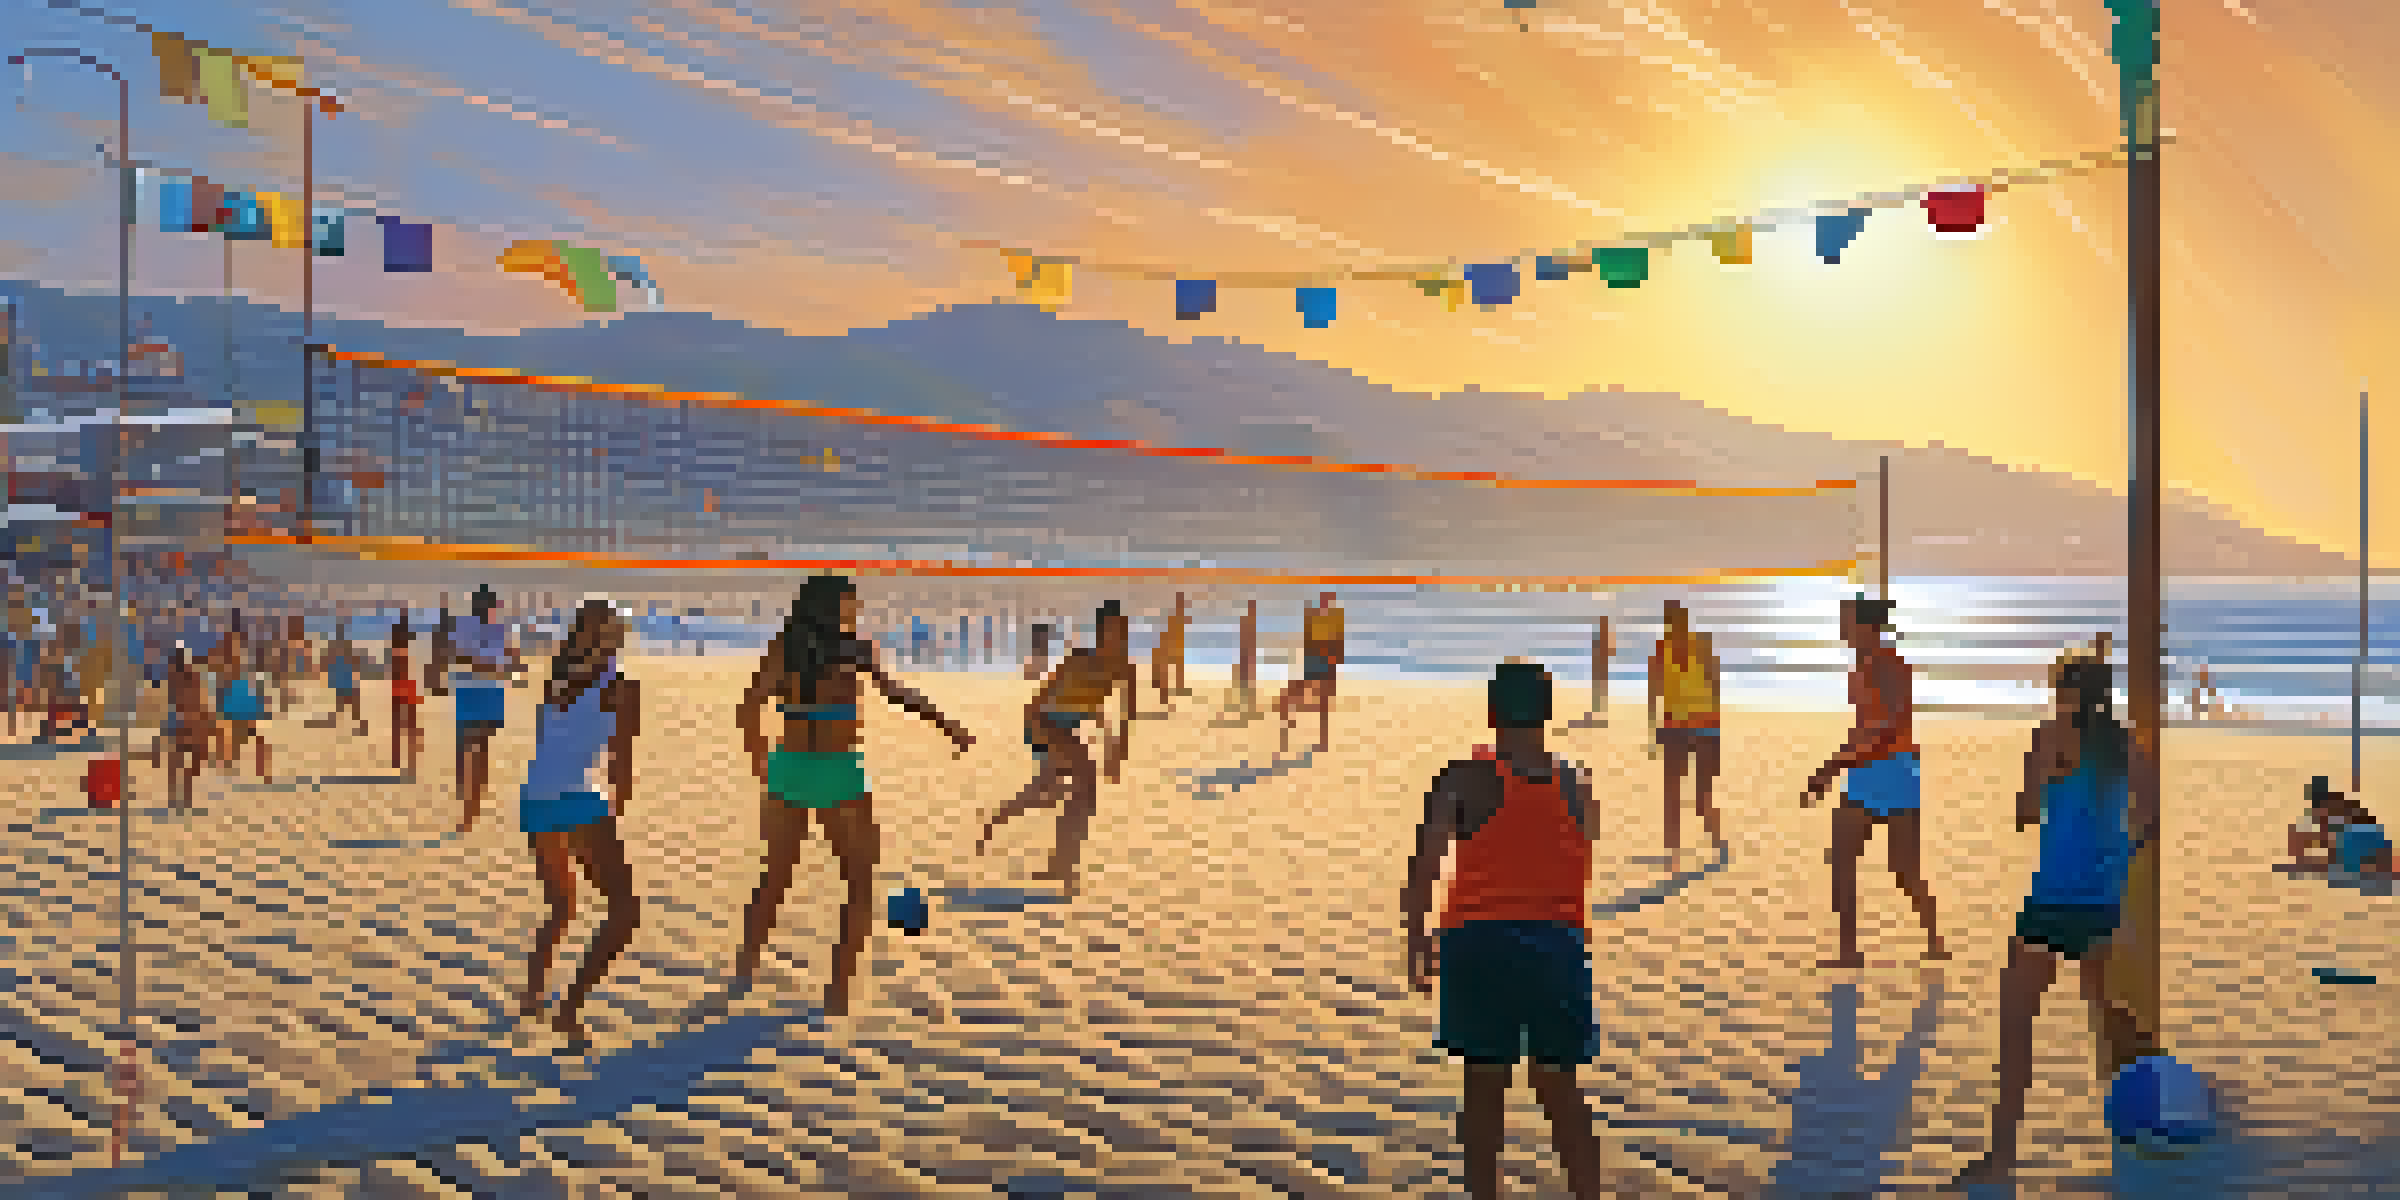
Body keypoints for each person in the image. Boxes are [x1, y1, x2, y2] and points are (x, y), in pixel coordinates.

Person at [1956, 648, 2160, 1185]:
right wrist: (2115, 857)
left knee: (2016, 1027)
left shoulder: (2049, 738)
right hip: (2101, 900)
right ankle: (2140, 1109)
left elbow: (2025, 811)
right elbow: (2149, 823)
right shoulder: (2126, 746)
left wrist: (2042, 784)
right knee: (2100, 1008)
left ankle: (2001, 1159)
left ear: (2066, 692)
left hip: (2052, 902)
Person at [1403, 662, 1605, 1200]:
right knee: (1561, 1088)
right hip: (1557, 945)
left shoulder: (1464, 775)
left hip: (1479, 941)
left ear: (1492, 712)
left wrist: (1417, 936)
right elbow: (1584, 849)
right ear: (1546, 713)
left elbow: (1426, 861)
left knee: (1484, 1088)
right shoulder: (1574, 778)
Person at [732, 577, 975, 1015]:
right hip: (836, 771)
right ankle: (837, 993)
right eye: (851, 599)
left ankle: (745, 969)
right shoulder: (856, 649)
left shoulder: (782, 648)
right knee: (860, 884)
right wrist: (944, 722)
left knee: (774, 878)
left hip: (788, 768)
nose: (858, 606)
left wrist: (760, 763)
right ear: (833, 605)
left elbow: (749, 706)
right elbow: (896, 692)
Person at [514, 598, 644, 1051]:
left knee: (562, 903)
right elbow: (620, 758)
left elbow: (550, 742)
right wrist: (617, 808)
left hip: (534, 797)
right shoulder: (621, 685)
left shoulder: (557, 678)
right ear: (611, 635)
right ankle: (569, 1011)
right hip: (574, 799)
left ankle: (533, 996)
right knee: (626, 913)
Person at [1802, 596, 1947, 967]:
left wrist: (1836, 765)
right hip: (1866, 768)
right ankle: (1850, 951)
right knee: (1842, 859)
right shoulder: (1862, 666)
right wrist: (1836, 763)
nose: (1841, 629)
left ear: (1867, 627)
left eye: (1847, 622)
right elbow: (1864, 724)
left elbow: (1892, 723)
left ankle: (1934, 940)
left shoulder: (1890, 665)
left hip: (1893, 768)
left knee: (1903, 868)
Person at [975, 600, 1138, 899]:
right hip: (1042, 721)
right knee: (1087, 781)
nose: (1121, 639)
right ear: (1101, 634)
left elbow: (1126, 716)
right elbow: (1042, 699)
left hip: (1066, 729)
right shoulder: (1077, 660)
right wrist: (1040, 733)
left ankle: (996, 820)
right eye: (1115, 633)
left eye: (1125, 633)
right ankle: (1065, 866)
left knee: (1048, 794)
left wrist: (1116, 752)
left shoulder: (1126, 669)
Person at [1646, 600, 1725, 860]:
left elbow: (1713, 683)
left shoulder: (1694, 646)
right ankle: (1679, 850)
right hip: (1685, 728)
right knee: (1682, 794)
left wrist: (1654, 727)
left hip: (1696, 728)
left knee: (1692, 795)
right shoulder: (1672, 649)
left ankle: (1709, 844)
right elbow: (1656, 692)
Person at [449, 585, 512, 835]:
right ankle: (471, 807)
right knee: (474, 752)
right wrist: (490, 667)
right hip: (482, 693)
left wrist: (484, 666)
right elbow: (502, 662)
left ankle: (470, 810)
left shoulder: (484, 628)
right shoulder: (492, 628)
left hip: (476, 694)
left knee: (469, 751)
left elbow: (459, 657)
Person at [1276, 591, 1345, 753]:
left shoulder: (1332, 620)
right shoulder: (1317, 618)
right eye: (1325, 600)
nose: (1326, 603)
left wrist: (1334, 662)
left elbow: (1337, 644)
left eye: (1328, 600)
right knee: (1305, 697)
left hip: (1324, 661)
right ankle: (1288, 733)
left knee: (1322, 703)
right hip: (1317, 661)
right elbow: (1309, 642)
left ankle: (1321, 740)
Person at [211, 626, 273, 782]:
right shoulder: (226, 660)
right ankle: (229, 767)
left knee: (255, 738)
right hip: (234, 698)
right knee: (233, 737)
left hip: (241, 698)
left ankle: (261, 771)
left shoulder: (236, 659)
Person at [389, 620, 424, 775]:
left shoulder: (395, 653)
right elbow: (414, 675)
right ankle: (410, 762)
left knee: (399, 728)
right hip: (407, 691)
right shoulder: (407, 654)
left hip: (397, 692)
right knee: (410, 728)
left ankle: (397, 760)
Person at [327, 624, 368, 737]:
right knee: (350, 707)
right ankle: (358, 727)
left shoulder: (334, 650)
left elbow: (331, 667)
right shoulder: (345, 649)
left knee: (345, 707)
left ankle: (356, 727)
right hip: (347, 683)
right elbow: (355, 663)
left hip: (343, 683)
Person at [1152, 592, 1191, 710]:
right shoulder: (1175, 618)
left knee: (1175, 668)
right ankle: (1164, 695)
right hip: (1171, 647)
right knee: (1168, 669)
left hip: (1174, 647)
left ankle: (1173, 690)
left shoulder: (1179, 617)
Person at [1235, 598, 1259, 717]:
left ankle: (1248, 705)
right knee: (1245, 681)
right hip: (1246, 657)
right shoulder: (1247, 622)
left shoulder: (1250, 622)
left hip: (1248, 657)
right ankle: (1246, 706)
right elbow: (1245, 641)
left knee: (1248, 681)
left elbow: (1249, 641)